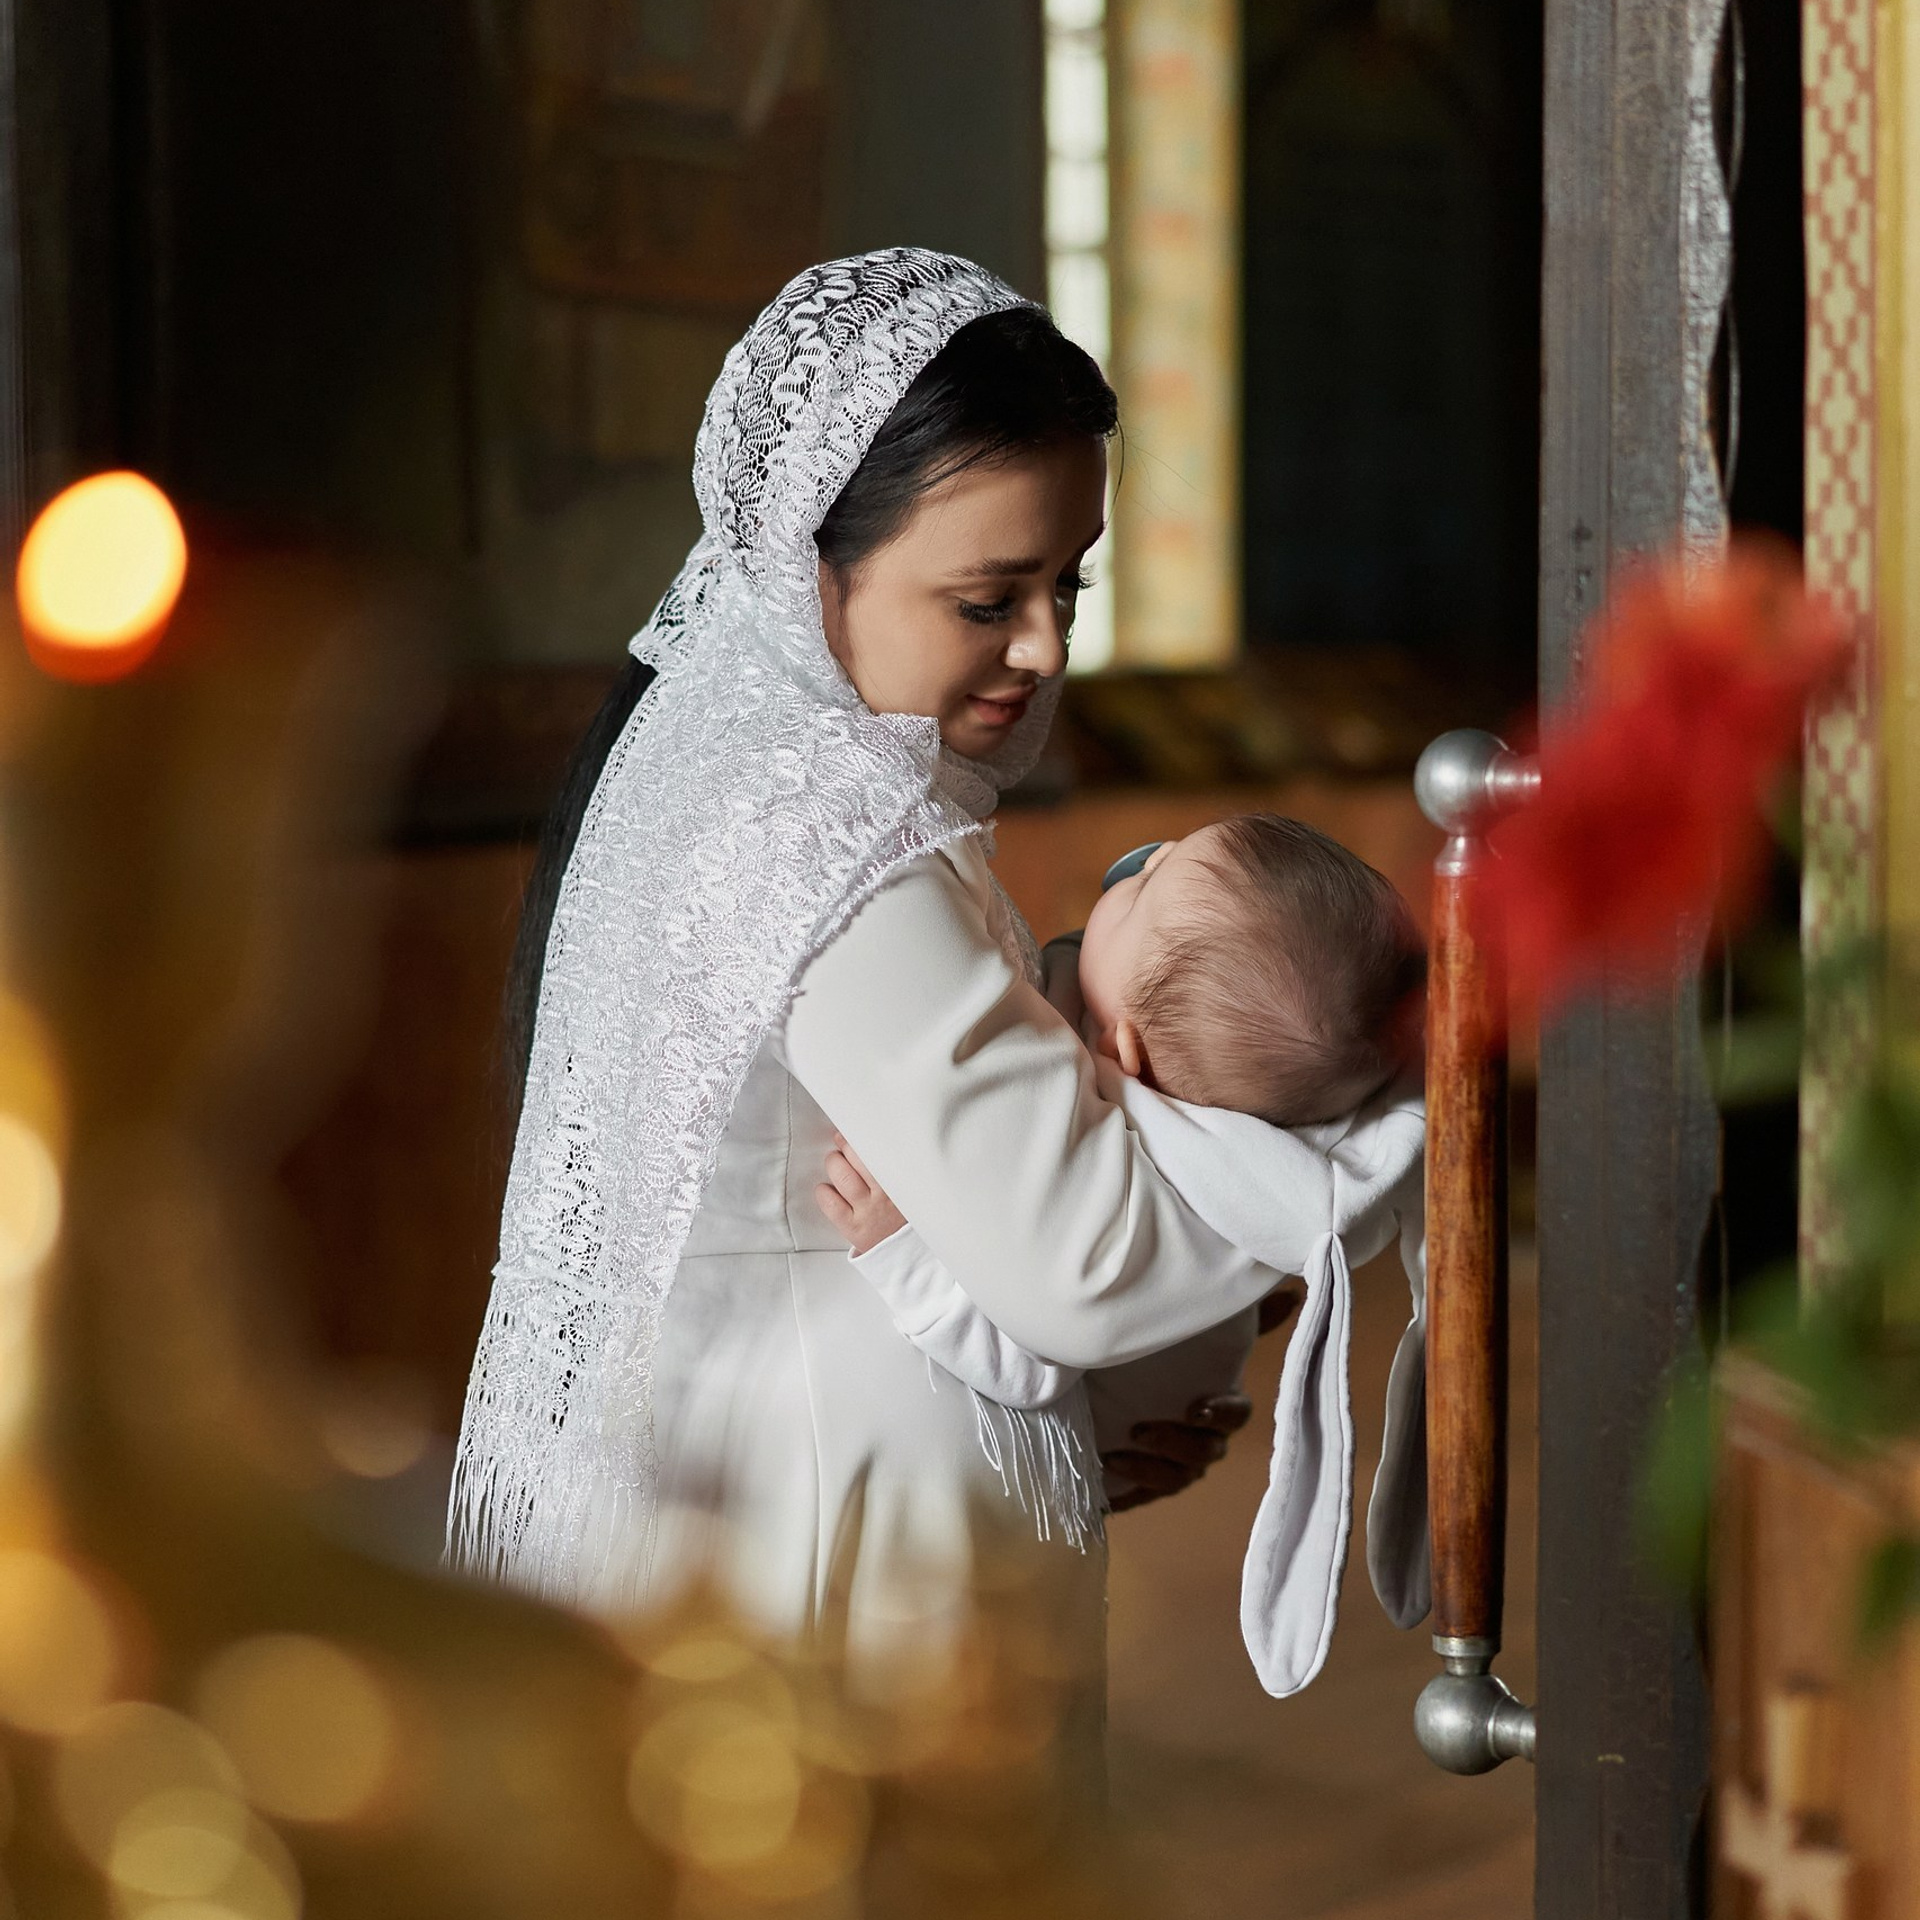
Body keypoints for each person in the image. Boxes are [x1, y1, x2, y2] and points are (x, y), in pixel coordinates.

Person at [451, 250, 1298, 1770]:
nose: (1043, 647)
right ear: (808, 563)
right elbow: (1079, 1262)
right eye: (989, 597)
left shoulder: (695, 742)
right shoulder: (818, 818)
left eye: (1068, 585)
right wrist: (1340, 1169)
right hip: (853, 1510)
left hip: (742, 1478)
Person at [817, 814, 1433, 1696]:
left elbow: (1031, 1366)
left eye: (1142, 891)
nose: (1145, 858)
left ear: (1124, 1053)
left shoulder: (1141, 1174)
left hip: (1060, 1418)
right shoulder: (1248, 1102)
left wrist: (908, 1259)